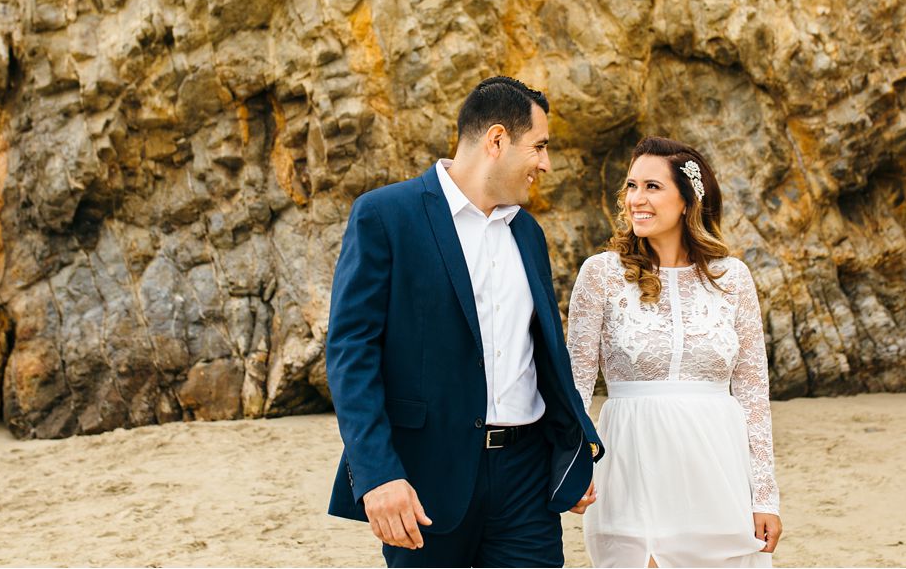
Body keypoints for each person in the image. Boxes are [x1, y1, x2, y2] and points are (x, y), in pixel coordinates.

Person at [326, 75, 604, 567]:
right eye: (538, 147)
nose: (546, 163)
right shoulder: (385, 216)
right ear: (497, 140)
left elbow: (544, 357)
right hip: (424, 479)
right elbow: (352, 354)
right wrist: (377, 475)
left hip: (526, 480)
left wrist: (572, 449)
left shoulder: (528, 233)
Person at [566, 137, 783, 568]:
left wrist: (766, 495)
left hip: (718, 469)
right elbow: (576, 385)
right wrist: (570, 466)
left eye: (652, 187)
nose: (636, 199)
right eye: (631, 186)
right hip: (631, 464)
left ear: (687, 201)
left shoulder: (732, 278)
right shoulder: (601, 275)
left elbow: (754, 395)